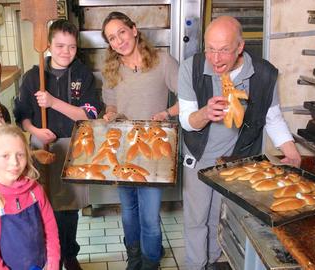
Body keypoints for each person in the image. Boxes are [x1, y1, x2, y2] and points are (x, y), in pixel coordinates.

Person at [178, 16, 301, 270]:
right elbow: (187, 121)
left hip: (238, 160)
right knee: (196, 218)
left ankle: (211, 262)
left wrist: (292, 153)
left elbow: (273, 117)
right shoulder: (191, 68)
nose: (215, 58)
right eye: (210, 49)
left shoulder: (263, 74)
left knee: (218, 217)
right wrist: (204, 113)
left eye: (224, 50)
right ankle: (194, 265)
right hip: (198, 156)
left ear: (240, 47)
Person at [13, 19, 102, 270]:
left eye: (72, 47)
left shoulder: (82, 74)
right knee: (42, 204)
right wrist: (35, 131)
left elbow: (89, 114)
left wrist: (52, 102)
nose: (66, 52)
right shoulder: (34, 76)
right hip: (41, 148)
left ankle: (69, 254)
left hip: (72, 146)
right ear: (49, 45)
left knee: (68, 208)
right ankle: (48, 257)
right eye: (60, 45)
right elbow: (22, 115)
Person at [101, 11, 179, 270]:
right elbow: (110, 104)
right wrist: (110, 114)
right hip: (123, 151)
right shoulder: (111, 69)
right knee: (128, 213)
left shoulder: (163, 62)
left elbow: (188, 99)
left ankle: (150, 262)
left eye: (121, 32)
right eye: (112, 38)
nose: (119, 41)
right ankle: (134, 258)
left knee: (149, 215)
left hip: (154, 152)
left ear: (134, 30)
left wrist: (167, 113)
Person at [0, 124, 60, 270]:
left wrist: (53, 262)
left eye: (20, 154)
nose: (14, 162)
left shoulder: (35, 190)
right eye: (5, 156)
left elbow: (50, 228)